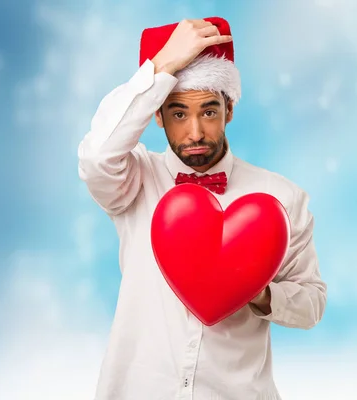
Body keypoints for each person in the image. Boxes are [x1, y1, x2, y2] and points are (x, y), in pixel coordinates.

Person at [78, 16, 327, 400]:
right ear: (156, 116)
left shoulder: (283, 197)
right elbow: (95, 155)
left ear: (229, 110)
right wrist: (161, 67)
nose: (195, 132)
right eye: (178, 113)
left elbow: (312, 304)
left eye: (209, 111)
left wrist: (258, 291)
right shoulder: (132, 180)